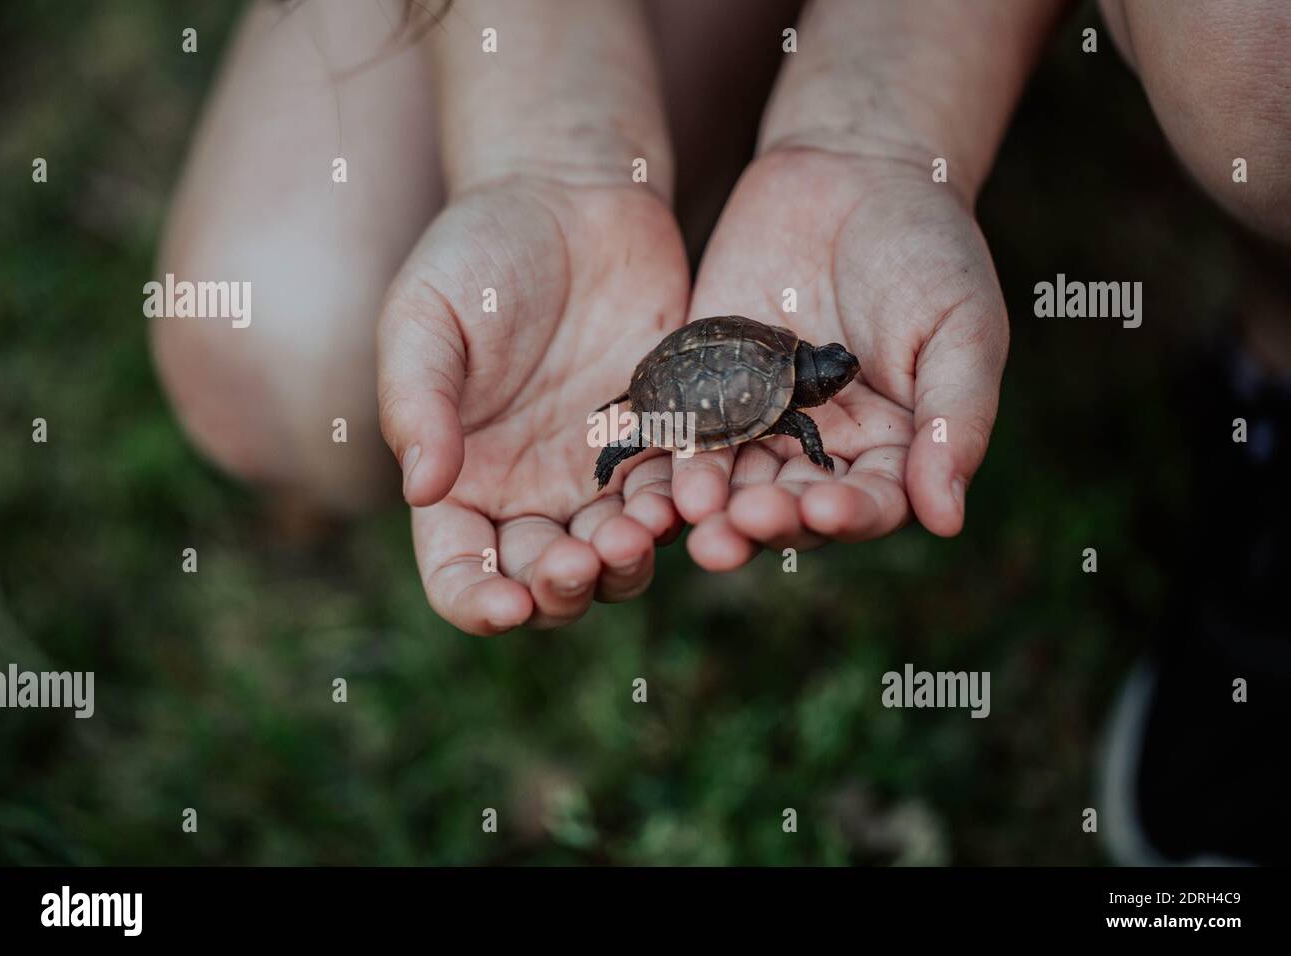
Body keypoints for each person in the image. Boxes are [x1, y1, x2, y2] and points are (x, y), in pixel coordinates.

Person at [153, 1, 1289, 862]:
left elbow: (795, 420)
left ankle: (1274, 368)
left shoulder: (795, 390)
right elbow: (788, 422)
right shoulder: (790, 392)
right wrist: (549, 155)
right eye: (830, 378)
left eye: (830, 377)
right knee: (287, 337)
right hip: (657, 281)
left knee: (1261, 63)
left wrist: (881, 124)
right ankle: (671, 185)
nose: (833, 385)